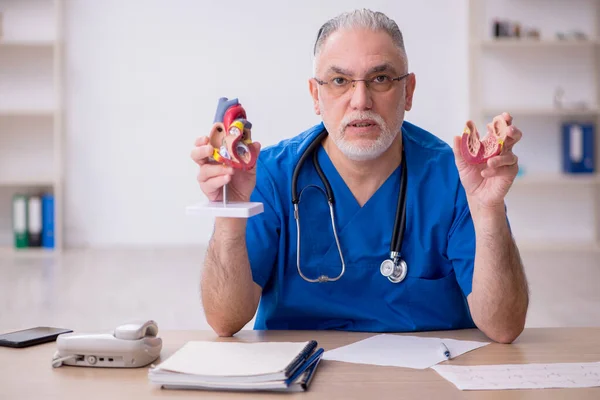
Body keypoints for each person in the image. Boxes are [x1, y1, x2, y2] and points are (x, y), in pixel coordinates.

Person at [190, 9, 529, 343]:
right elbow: (225, 320)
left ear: (408, 91)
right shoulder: (271, 175)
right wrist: (228, 212)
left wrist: (488, 211)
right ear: (315, 95)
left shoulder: (455, 177)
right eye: (340, 81)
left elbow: (504, 327)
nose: (360, 100)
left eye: (380, 79)